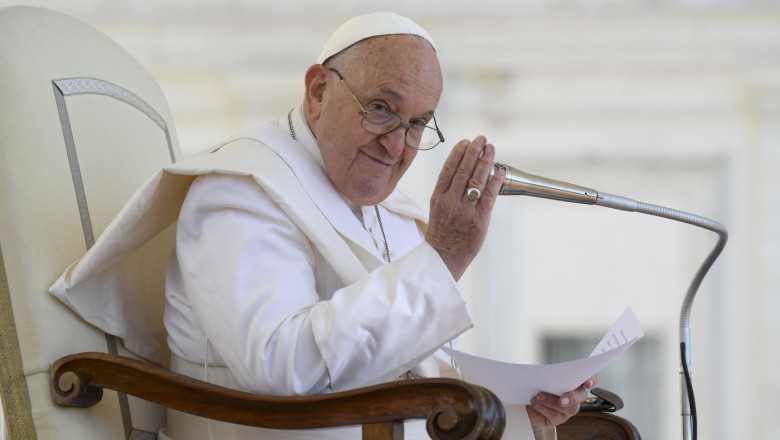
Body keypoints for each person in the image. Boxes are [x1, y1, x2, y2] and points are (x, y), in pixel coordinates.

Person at [51, 11, 593, 440]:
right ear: (316, 92)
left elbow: (413, 371)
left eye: (417, 125)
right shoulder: (239, 190)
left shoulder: (393, 213)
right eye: (381, 107)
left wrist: (525, 409)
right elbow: (281, 367)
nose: (398, 145)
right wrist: (443, 257)